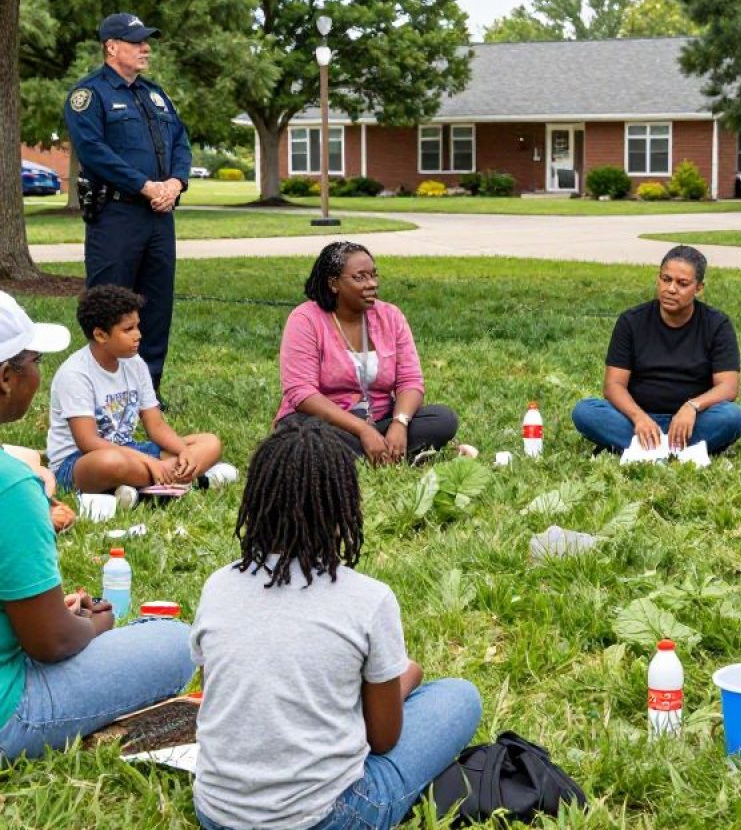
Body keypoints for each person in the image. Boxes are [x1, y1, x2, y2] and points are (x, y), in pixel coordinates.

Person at [191, 418, 482, 830]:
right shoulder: (368, 599)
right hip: (326, 817)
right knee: (459, 696)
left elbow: (217, 692)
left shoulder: (218, 586)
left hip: (216, 813)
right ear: (343, 503)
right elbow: (383, 739)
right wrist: (407, 677)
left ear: (256, 499)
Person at [0, 291, 194, 761]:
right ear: (6, 377)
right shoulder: (12, 485)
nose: (38, 372)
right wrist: (94, 624)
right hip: (11, 713)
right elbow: (52, 642)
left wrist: (48, 612)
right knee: (176, 642)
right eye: (34, 360)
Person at [64, 12, 192, 404]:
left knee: (156, 306)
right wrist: (146, 185)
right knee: (109, 302)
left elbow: (180, 141)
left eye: (145, 41)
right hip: (116, 216)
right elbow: (94, 152)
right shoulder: (88, 95)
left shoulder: (154, 93)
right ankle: (102, 392)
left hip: (159, 216)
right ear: (111, 47)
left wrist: (175, 182)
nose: (145, 47)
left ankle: (148, 392)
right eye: (136, 42)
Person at [48, 285, 235, 507]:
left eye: (137, 326)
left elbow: (155, 425)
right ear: (100, 335)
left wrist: (184, 452)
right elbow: (88, 442)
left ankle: (145, 486)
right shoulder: (75, 374)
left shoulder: (134, 363)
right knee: (110, 463)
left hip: (130, 451)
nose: (138, 335)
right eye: (128, 329)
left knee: (209, 442)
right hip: (80, 462)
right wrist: (147, 461)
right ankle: (186, 479)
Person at [276, 241, 459, 464]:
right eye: (359, 277)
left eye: (373, 275)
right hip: (326, 422)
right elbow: (301, 393)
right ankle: (377, 453)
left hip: (381, 420)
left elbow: (410, 381)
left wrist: (399, 423)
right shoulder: (305, 319)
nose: (372, 283)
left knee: (443, 419)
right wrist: (362, 430)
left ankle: (365, 453)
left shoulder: (390, 316)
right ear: (334, 284)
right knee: (302, 435)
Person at [571, 245, 741, 455]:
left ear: (699, 287)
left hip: (693, 421)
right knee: (585, 411)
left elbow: (728, 387)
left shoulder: (717, 324)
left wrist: (692, 406)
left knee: (732, 417)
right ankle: (677, 451)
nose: (671, 289)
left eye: (682, 283)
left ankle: (645, 450)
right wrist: (639, 418)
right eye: (666, 279)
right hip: (637, 419)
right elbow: (613, 385)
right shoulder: (631, 321)